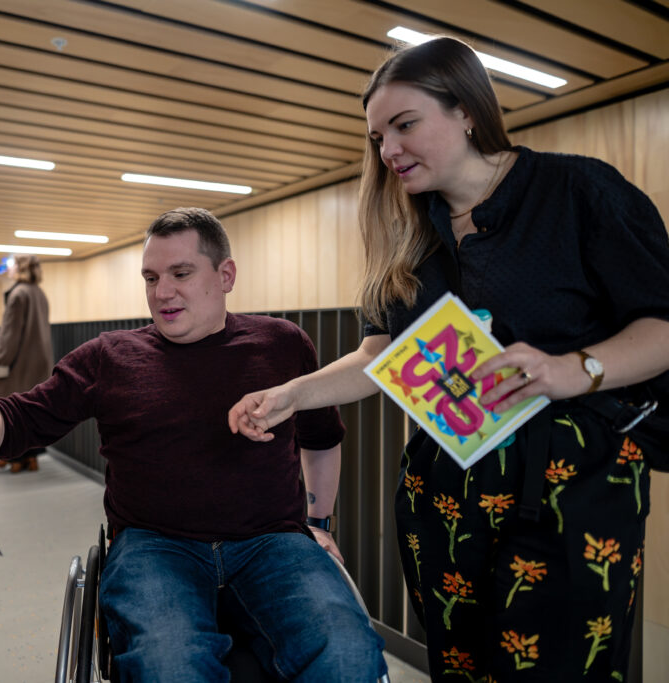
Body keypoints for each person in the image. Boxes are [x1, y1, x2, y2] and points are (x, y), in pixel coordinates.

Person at [228, 37, 669, 682]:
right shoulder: (405, 232)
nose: (389, 151)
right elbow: (381, 355)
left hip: (570, 483)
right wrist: (295, 393)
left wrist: (574, 368)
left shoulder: (576, 191)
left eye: (405, 125)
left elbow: (661, 322)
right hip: (446, 490)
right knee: (461, 668)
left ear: (466, 110)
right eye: (378, 136)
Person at [0, 208, 387, 682]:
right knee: (169, 665)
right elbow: (19, 419)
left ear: (226, 275)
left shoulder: (282, 343)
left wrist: (318, 525)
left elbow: (321, 440)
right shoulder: (111, 357)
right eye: (151, 278)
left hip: (271, 541)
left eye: (181, 273)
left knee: (348, 653)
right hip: (155, 545)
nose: (162, 291)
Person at [0, 254, 53, 473]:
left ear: (21, 268)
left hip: (18, 363)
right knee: (31, 411)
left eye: (11, 265)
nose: (9, 269)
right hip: (39, 362)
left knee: (10, 411)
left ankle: (12, 457)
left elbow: (9, 335)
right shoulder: (40, 293)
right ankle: (32, 458)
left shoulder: (17, 294)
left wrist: (0, 362)